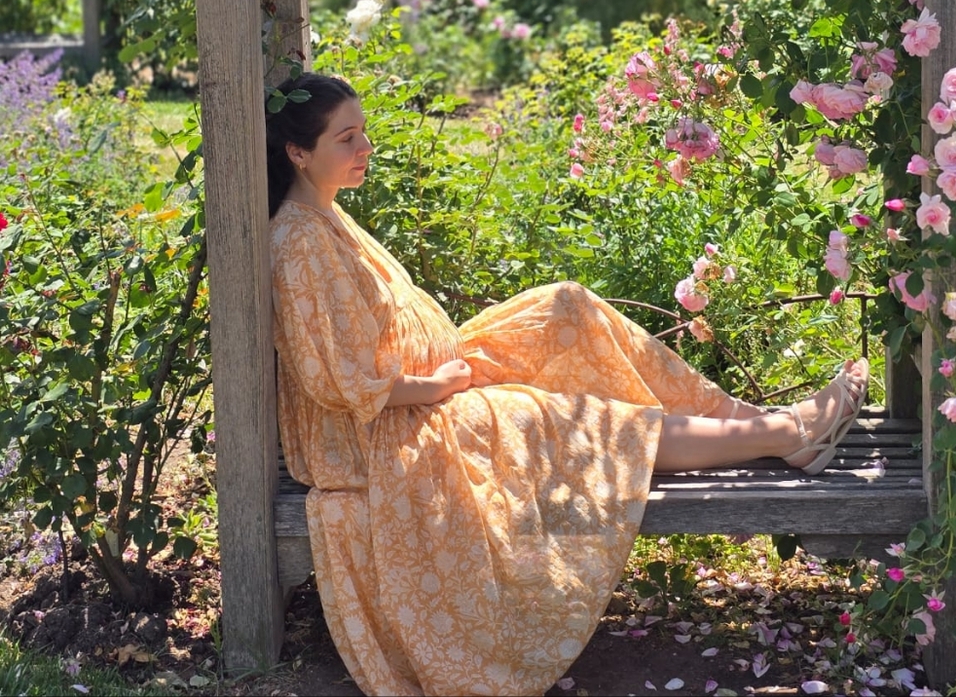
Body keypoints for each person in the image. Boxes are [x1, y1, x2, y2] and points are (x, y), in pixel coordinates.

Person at [266, 72, 869, 697]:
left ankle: (746, 417)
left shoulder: (327, 214)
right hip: (389, 427)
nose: (365, 148)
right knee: (587, 427)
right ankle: (786, 432)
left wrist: (444, 374)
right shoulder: (300, 241)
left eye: (363, 132)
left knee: (564, 309)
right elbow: (338, 382)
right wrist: (437, 387)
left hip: (433, 382)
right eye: (347, 138)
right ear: (298, 152)